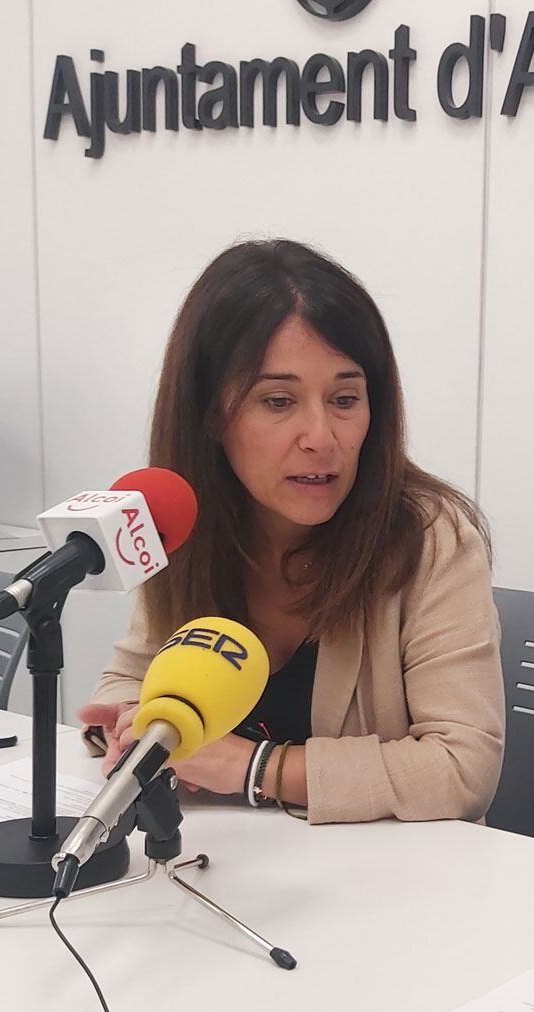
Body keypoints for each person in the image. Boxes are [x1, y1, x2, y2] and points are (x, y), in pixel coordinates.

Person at [79, 240, 504, 823]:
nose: (321, 437)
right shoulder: (185, 525)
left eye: (345, 399)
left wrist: (253, 769)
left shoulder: (431, 538)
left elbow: (463, 768)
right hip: (224, 865)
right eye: (278, 401)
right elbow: (128, 678)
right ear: (210, 414)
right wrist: (138, 730)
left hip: (385, 884)